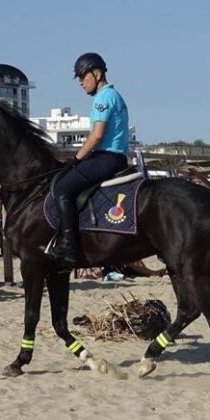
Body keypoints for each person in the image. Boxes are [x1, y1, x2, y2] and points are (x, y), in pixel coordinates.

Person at [45, 52, 130, 265]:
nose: (81, 83)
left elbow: (97, 134)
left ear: (98, 73)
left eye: (83, 77)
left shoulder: (103, 97)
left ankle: (69, 246)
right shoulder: (114, 96)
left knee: (62, 187)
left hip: (107, 157)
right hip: (114, 157)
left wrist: (76, 158)